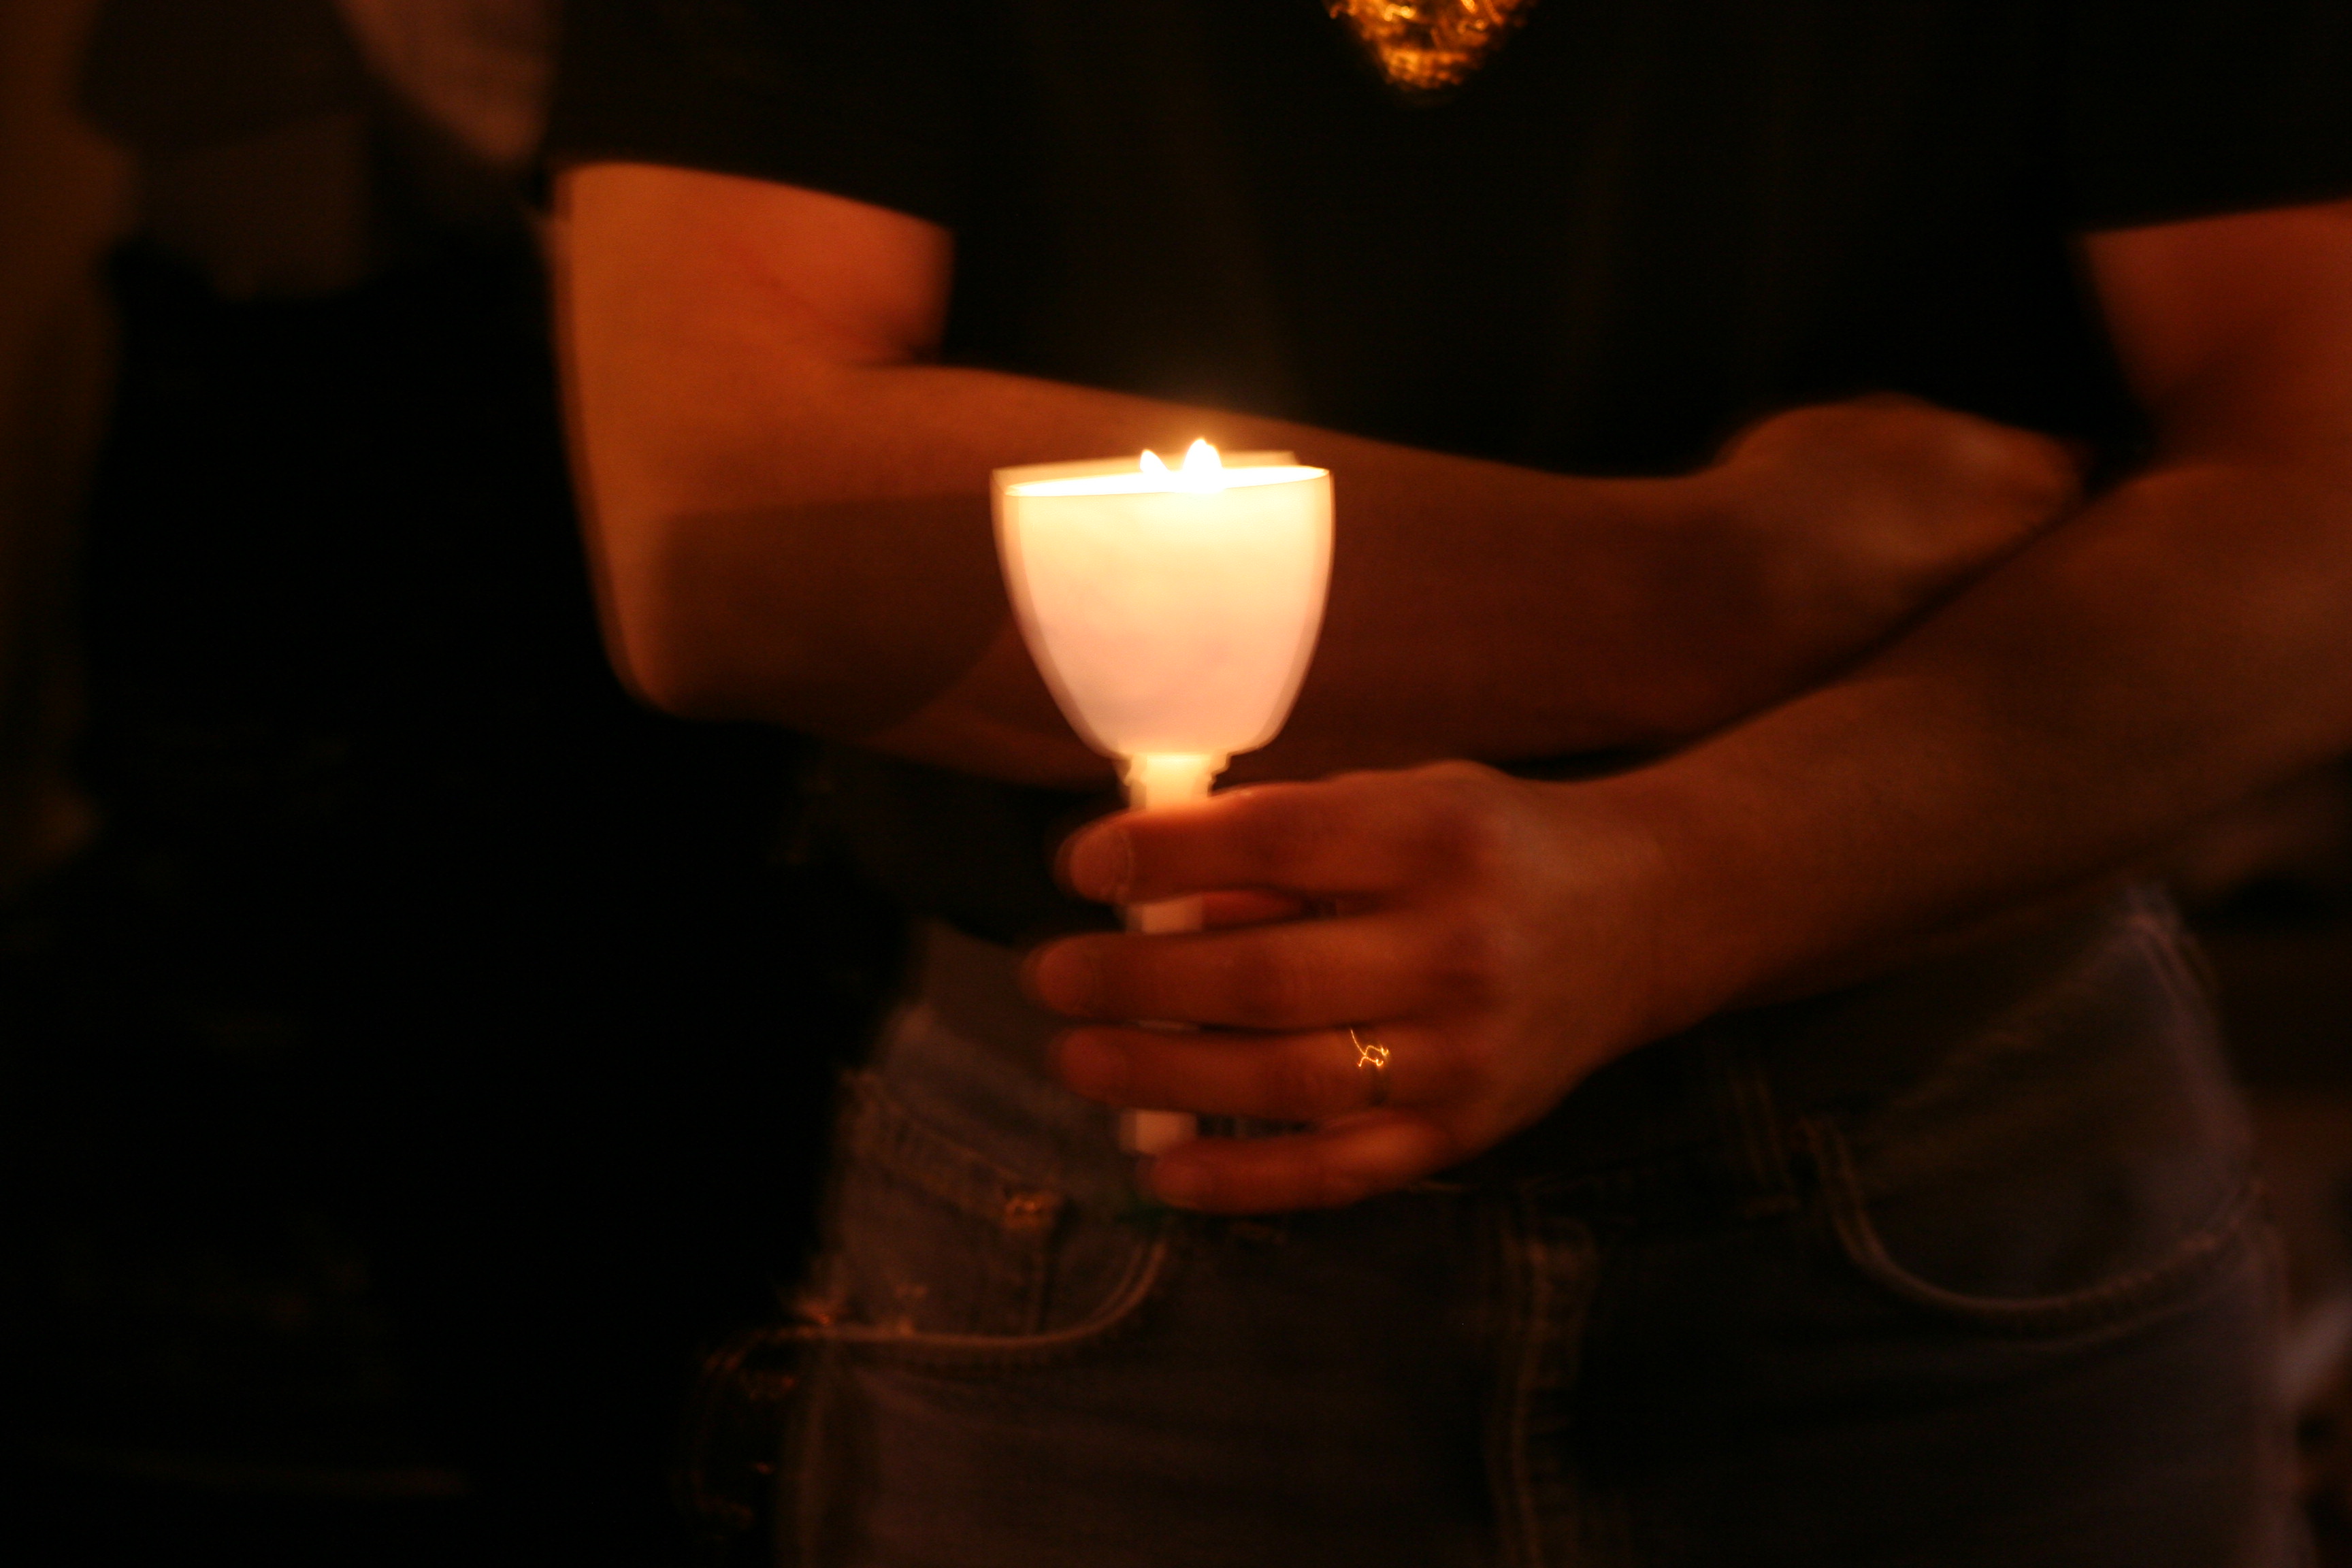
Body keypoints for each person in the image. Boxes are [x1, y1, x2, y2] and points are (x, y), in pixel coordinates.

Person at [546, 1, 2352, 1563]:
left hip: (1951, 1157)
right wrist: (1687, 593)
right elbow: (724, 532)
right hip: (1122, 1181)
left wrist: (1667, 889)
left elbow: (2316, 493)